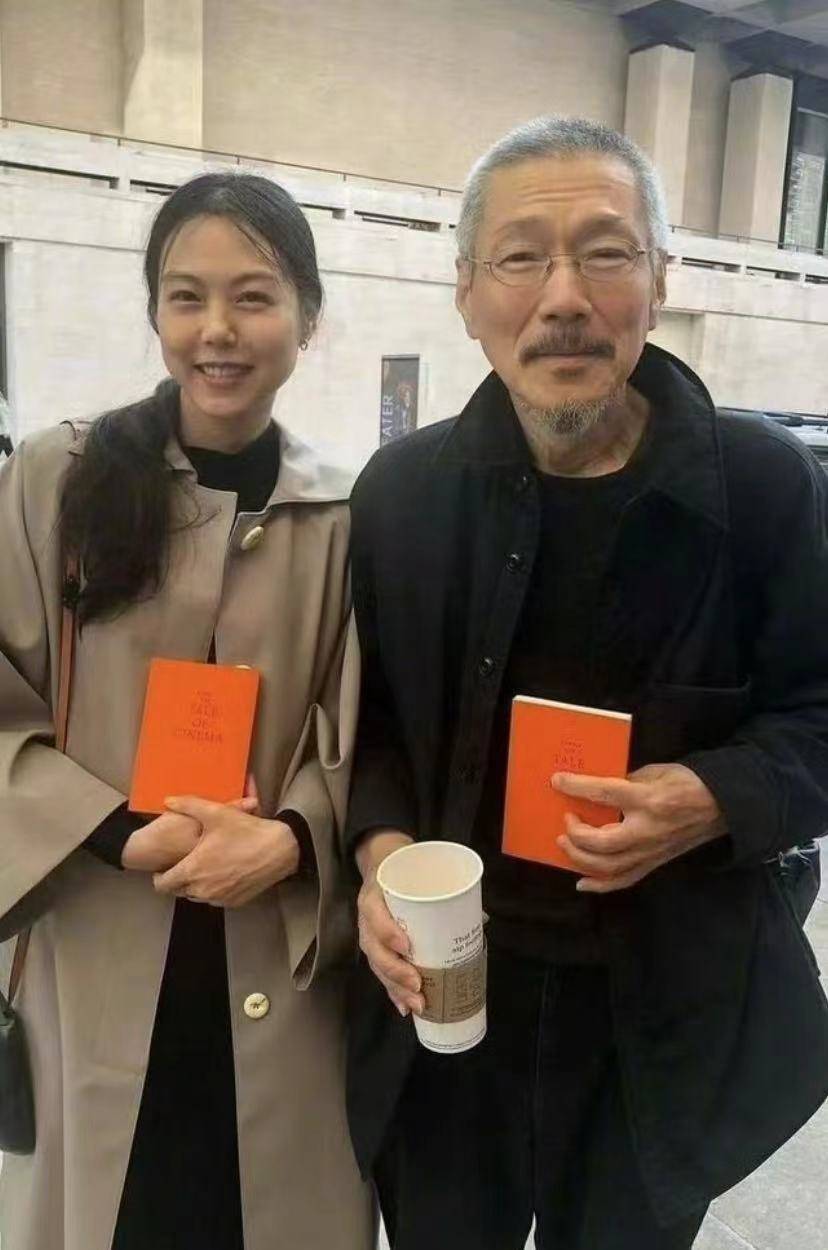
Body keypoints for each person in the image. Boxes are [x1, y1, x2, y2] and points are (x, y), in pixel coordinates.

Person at [346, 117, 828, 1250]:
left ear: (660, 280)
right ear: (468, 292)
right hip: (449, 999)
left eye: (606, 252)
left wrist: (714, 795)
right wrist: (377, 861)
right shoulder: (402, 496)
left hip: (660, 1014)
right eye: (521, 257)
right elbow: (371, 728)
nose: (564, 296)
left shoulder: (767, 487)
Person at [0, 173, 374, 1250]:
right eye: (186, 296)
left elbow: (361, 728)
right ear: (155, 312)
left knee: (252, 1205)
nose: (218, 330)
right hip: (95, 934)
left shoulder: (344, 514)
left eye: (254, 297)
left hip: (276, 949)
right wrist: (114, 829)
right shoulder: (59, 478)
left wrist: (292, 836)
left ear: (307, 315)